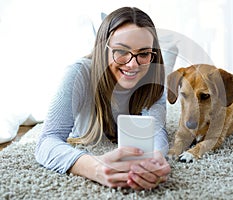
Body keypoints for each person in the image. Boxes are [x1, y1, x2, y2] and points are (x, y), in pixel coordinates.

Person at [35, 7, 171, 190]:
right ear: (103, 49)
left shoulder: (153, 78)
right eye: (121, 51)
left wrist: (156, 159)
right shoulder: (79, 73)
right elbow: (47, 140)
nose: (132, 64)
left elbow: (157, 132)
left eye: (144, 54)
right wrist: (95, 168)